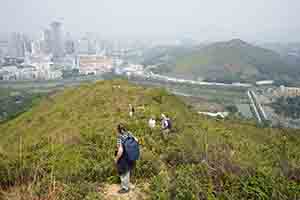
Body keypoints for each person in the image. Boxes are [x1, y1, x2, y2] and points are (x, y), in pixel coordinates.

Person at [115, 124, 138, 194]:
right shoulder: (129, 133)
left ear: (119, 130)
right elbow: (137, 140)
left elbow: (120, 150)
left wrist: (116, 159)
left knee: (123, 172)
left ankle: (125, 188)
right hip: (131, 156)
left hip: (123, 157)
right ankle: (128, 184)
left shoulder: (120, 137)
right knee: (128, 170)